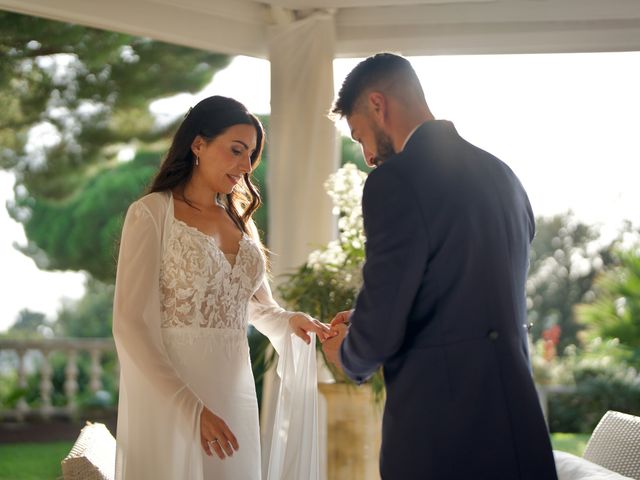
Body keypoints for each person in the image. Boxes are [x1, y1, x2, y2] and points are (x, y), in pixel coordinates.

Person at [322, 53, 558, 479]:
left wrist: (347, 353)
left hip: (442, 439)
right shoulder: (504, 177)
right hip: (519, 431)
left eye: (359, 137)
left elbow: (382, 328)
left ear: (378, 104)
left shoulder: (394, 182)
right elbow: (467, 294)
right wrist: (363, 318)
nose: (368, 156)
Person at [112, 95, 330, 479]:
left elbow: (259, 309)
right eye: (236, 150)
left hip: (235, 396)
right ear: (198, 144)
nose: (245, 166)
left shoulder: (240, 223)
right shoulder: (150, 214)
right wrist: (189, 408)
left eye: (251, 155)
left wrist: (291, 320)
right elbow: (130, 325)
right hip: (173, 398)